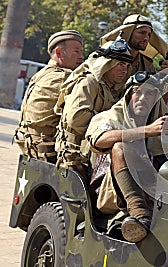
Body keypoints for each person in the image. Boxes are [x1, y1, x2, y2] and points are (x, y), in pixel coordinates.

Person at [85, 81, 168, 243]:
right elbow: (99, 140)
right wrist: (147, 131)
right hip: (112, 192)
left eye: (149, 94)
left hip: (154, 192)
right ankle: (139, 213)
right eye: (137, 93)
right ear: (128, 96)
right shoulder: (112, 116)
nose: (142, 98)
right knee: (120, 147)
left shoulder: (163, 121)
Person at [56, 37, 133, 177]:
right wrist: (108, 124)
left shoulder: (111, 88)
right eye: (120, 64)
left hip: (95, 154)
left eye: (127, 66)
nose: (124, 70)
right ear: (107, 64)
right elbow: (76, 120)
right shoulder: (89, 83)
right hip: (77, 158)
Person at [14, 30, 83, 163]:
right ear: (58, 52)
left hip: (29, 144)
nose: (81, 56)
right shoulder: (65, 77)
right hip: (47, 151)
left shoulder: (42, 73)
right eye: (76, 51)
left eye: (81, 51)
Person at [100, 14, 168, 78]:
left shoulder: (147, 64)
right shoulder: (108, 58)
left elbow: (153, 90)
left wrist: (164, 77)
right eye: (141, 33)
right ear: (128, 33)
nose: (146, 38)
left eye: (149, 35)